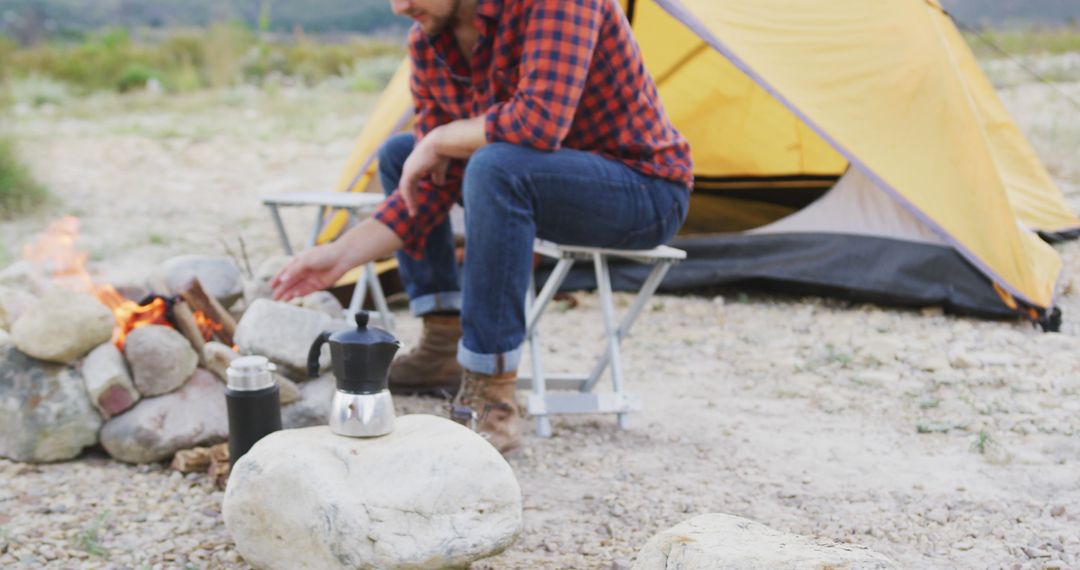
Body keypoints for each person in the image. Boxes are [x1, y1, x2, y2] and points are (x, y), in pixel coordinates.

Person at [271, 0, 692, 454]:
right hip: (545, 185)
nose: (400, 7)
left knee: (494, 166)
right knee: (400, 154)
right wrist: (340, 255)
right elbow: (428, 191)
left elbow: (539, 123)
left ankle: (491, 395)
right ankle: (442, 345)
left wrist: (437, 138)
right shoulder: (429, 41)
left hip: (644, 190)